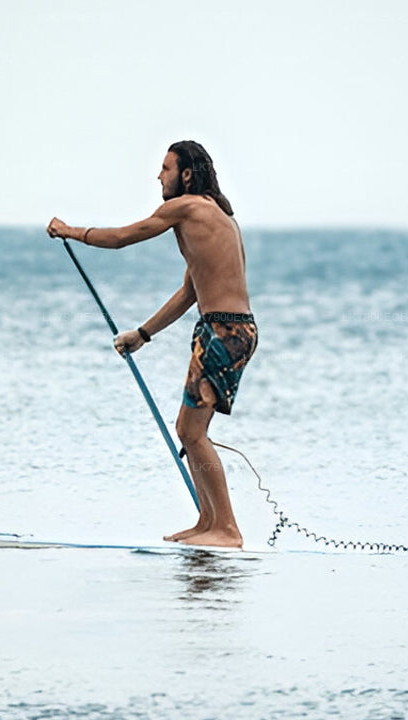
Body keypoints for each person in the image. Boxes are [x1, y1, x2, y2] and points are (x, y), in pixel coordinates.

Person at [47, 141, 257, 548]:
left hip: (224, 332)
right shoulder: (219, 217)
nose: (159, 176)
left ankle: (227, 530)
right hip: (226, 329)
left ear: (187, 175)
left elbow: (124, 237)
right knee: (188, 430)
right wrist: (142, 335)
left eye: (165, 168)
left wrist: (69, 230)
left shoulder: (186, 207)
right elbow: (189, 293)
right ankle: (207, 523)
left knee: (193, 432)